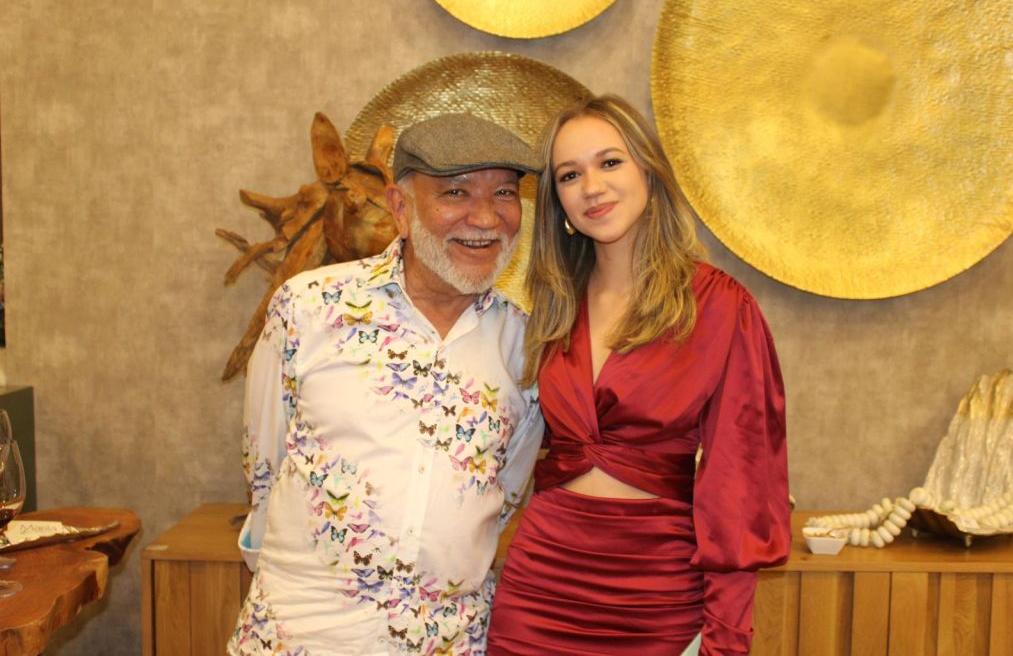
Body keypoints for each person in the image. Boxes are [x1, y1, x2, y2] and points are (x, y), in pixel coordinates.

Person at [228, 113, 545, 655]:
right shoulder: (309, 308)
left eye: (504, 194)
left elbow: (505, 492)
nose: (486, 217)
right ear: (400, 208)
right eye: (456, 192)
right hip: (303, 636)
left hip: (449, 642)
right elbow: (265, 466)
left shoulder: (526, 345)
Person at [486, 95, 791, 656]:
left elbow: (741, 487)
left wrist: (726, 638)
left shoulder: (721, 307)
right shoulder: (553, 305)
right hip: (539, 589)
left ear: (648, 169)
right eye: (570, 175)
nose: (592, 187)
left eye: (610, 162)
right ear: (558, 202)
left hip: (656, 595)